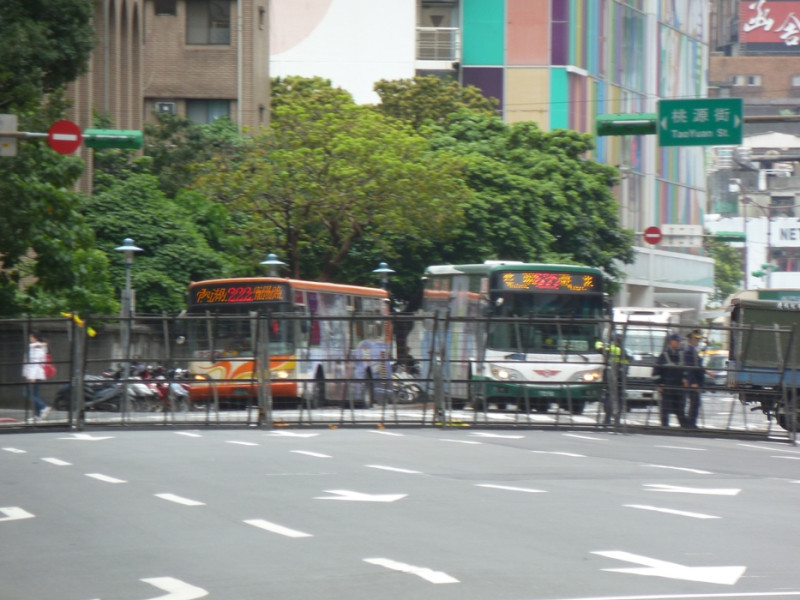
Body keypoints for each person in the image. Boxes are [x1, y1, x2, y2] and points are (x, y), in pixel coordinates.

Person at [653, 333, 688, 427]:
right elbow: (656, 372)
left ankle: (684, 428)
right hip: (667, 388)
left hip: (679, 388)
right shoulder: (663, 356)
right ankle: (665, 427)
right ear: (671, 342)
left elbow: (686, 371)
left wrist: (685, 382)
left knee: (680, 409)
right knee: (665, 409)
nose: (678, 343)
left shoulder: (681, 355)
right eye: (676, 341)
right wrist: (659, 384)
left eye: (679, 341)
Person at [22, 331, 52, 420]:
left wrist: (32, 377)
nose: (30, 339)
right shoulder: (38, 347)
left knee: (28, 393)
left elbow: (35, 363)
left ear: (35, 338)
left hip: (35, 374)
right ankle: (38, 415)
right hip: (35, 374)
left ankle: (44, 407)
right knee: (35, 394)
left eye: (31, 337)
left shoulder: (36, 348)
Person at [602, 334, 630, 425]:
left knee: (609, 397)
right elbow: (626, 365)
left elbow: (602, 353)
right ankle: (616, 419)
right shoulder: (624, 352)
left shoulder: (610, 349)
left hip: (610, 378)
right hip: (620, 379)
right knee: (619, 399)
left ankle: (607, 419)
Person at [683, 329, 704, 428]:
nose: (697, 341)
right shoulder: (688, 352)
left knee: (695, 403)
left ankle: (691, 423)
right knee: (694, 403)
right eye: (695, 339)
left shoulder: (693, 351)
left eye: (698, 339)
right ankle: (690, 424)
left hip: (696, 382)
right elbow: (689, 369)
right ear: (690, 340)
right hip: (693, 383)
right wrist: (694, 382)